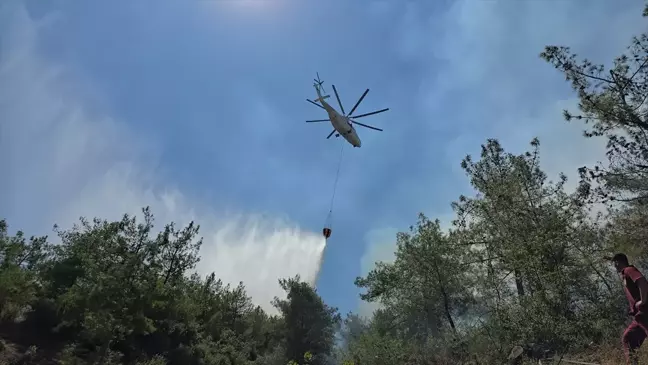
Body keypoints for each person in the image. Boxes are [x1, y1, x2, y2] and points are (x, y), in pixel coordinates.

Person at [611, 253, 648, 364]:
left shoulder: (628, 270)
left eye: (615, 263)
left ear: (618, 262)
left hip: (645, 313)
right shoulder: (625, 274)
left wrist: (643, 301)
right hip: (639, 317)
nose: (614, 266)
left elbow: (642, 282)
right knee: (628, 338)